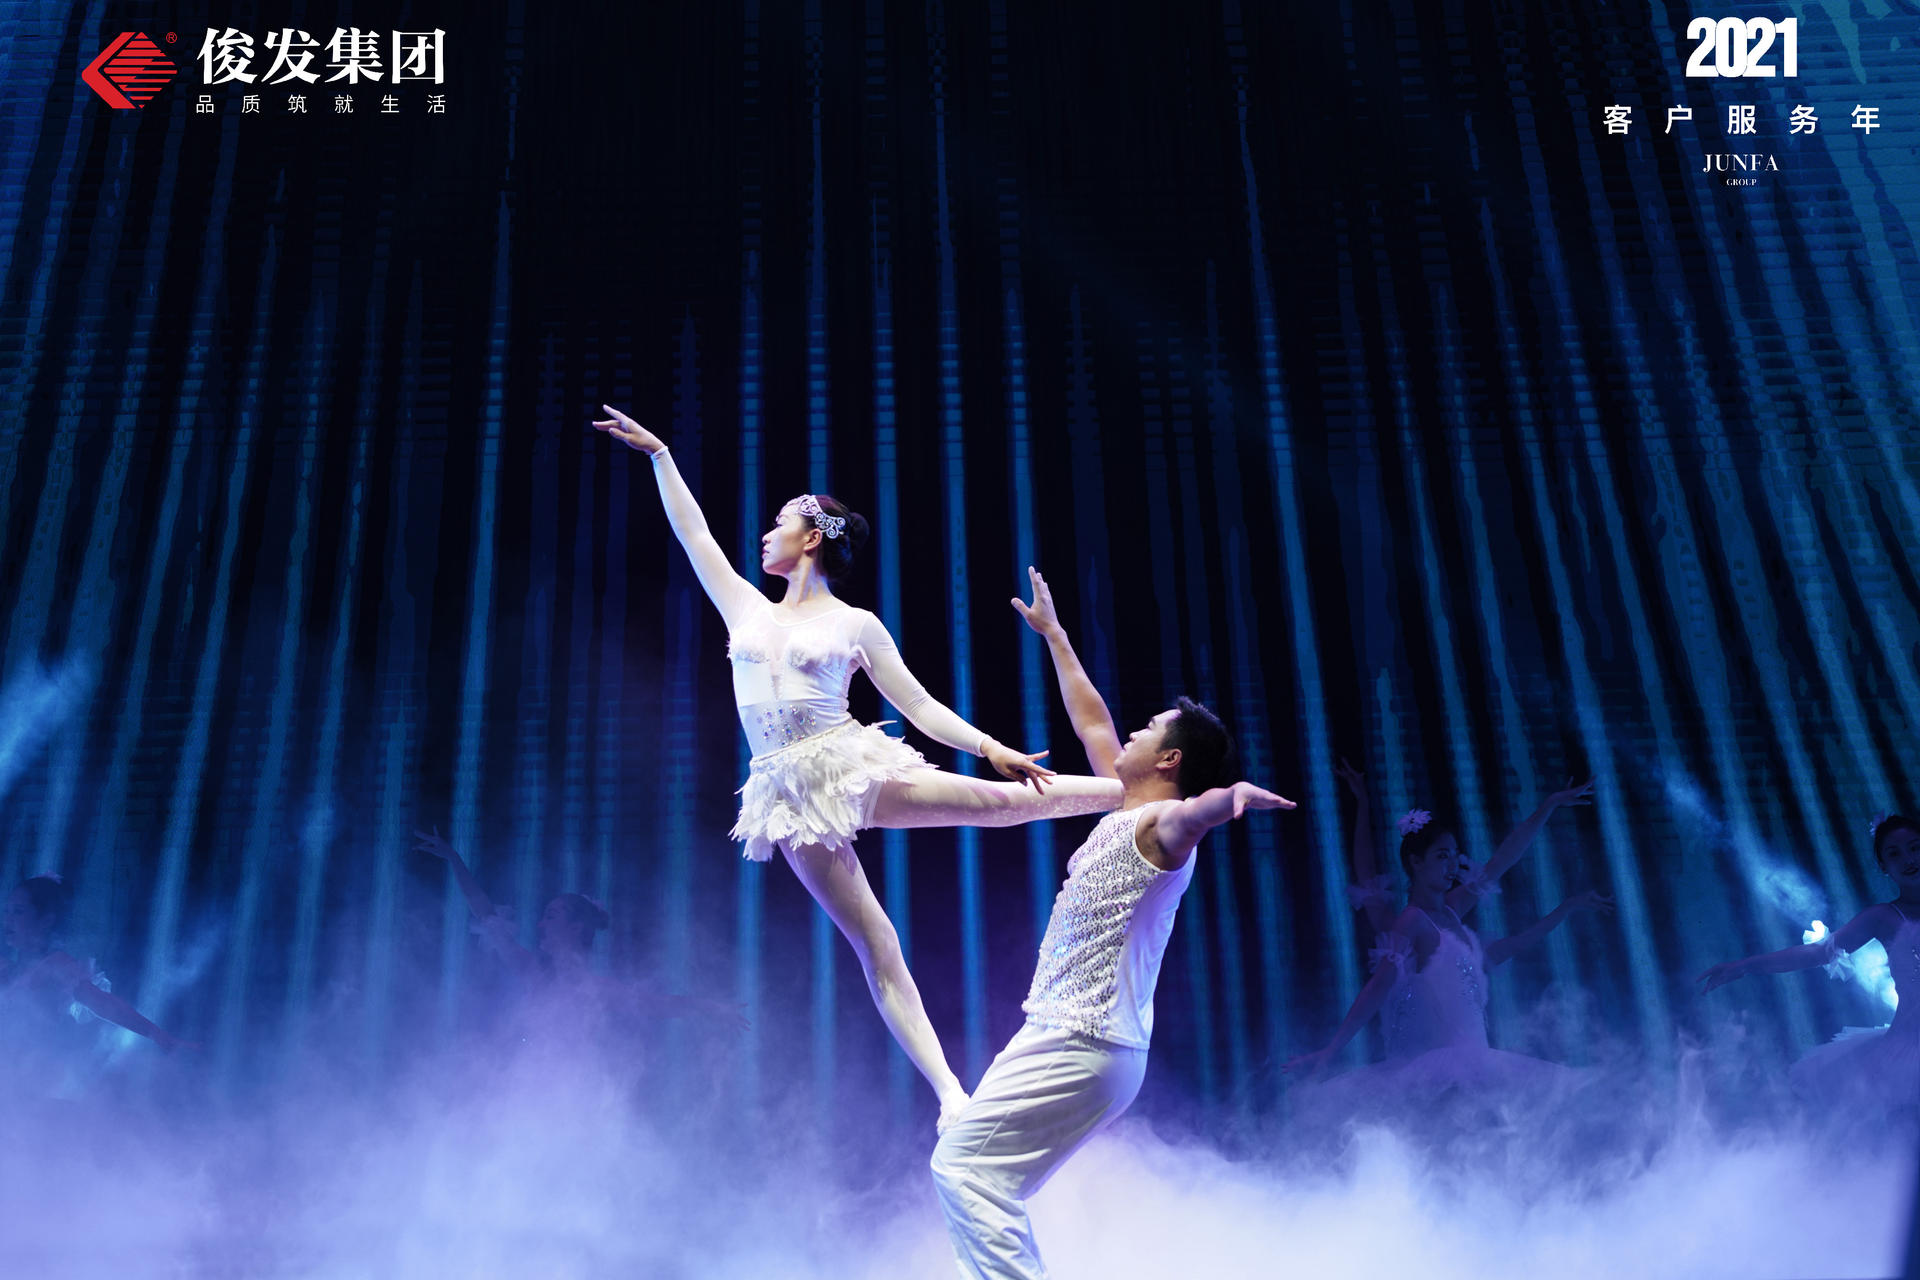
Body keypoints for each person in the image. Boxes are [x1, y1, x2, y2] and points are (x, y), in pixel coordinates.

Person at [594, 409, 1122, 1128]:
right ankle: (951, 1096)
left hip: (849, 763)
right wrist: (661, 455)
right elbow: (696, 535)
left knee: (1003, 803)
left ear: (811, 537)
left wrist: (989, 746)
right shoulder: (745, 607)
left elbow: (919, 704)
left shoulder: (855, 624)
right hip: (786, 793)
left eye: (779, 523)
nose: (765, 534)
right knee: (877, 946)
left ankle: (1131, 794)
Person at [929, 567, 1293, 1279]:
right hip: (1071, 1036)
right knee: (980, 1172)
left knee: (963, 1168)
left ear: (1170, 759)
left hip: (1084, 1039)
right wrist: (1055, 635)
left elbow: (1194, 816)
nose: (1127, 731)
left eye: (1147, 729)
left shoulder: (1161, 823)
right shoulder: (1128, 808)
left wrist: (1230, 797)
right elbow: (1092, 720)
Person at [1284, 807, 1610, 1096]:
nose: (1453, 864)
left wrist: (1549, 808)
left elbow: (1503, 862)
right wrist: (1332, 1048)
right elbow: (1378, 985)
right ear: (1416, 862)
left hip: (1475, 1061)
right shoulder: (1411, 921)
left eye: (1455, 855)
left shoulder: (1451, 911)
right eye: (1442, 856)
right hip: (1436, 1069)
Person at [1699, 813, 1920, 1123]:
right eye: (1894, 854)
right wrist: (1745, 965)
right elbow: (1817, 953)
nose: (1908, 859)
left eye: (1915, 848)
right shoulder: (1883, 917)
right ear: (1883, 866)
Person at [415, 828, 741, 1028]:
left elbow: (657, 1003)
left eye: (552, 916)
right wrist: (454, 860)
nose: (540, 923)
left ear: (576, 928)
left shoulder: (595, 988)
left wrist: (710, 1008)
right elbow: (484, 912)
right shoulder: (532, 970)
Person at [0, 873, 191, 1097]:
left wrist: (158, 1035)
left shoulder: (56, 965)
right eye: (6, 911)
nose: (7, 919)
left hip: (31, 1078)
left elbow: (104, 1004)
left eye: (18, 911)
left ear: (46, 920)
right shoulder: (4, 967)